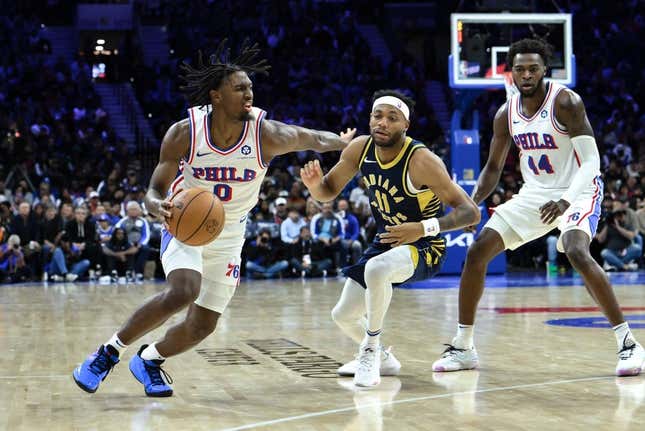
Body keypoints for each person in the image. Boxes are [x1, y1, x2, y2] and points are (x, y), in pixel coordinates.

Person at [73, 40, 355, 397]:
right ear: (216, 96)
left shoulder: (265, 133)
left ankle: (149, 360)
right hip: (184, 227)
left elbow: (312, 138)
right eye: (239, 88)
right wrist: (157, 206)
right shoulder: (185, 132)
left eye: (250, 87)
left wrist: (343, 144)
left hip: (230, 235)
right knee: (183, 291)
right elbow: (153, 190)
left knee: (203, 325)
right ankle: (106, 353)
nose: (248, 93)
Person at [432, 38, 645, 377]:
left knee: (576, 250)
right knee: (477, 253)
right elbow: (492, 168)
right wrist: (472, 204)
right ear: (510, 73)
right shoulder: (506, 114)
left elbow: (591, 161)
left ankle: (629, 344)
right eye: (520, 69)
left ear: (545, 70)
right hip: (535, 193)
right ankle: (464, 347)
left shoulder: (566, 102)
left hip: (579, 188)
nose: (527, 74)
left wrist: (565, 200)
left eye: (533, 68)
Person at [301, 89, 480, 387]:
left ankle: (369, 350)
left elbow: (470, 212)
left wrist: (423, 228)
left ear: (405, 125)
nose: (382, 123)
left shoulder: (422, 160)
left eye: (392, 118)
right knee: (342, 315)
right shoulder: (360, 148)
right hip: (387, 241)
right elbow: (328, 192)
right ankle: (384, 358)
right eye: (377, 116)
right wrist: (314, 186)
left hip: (425, 245)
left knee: (376, 269)